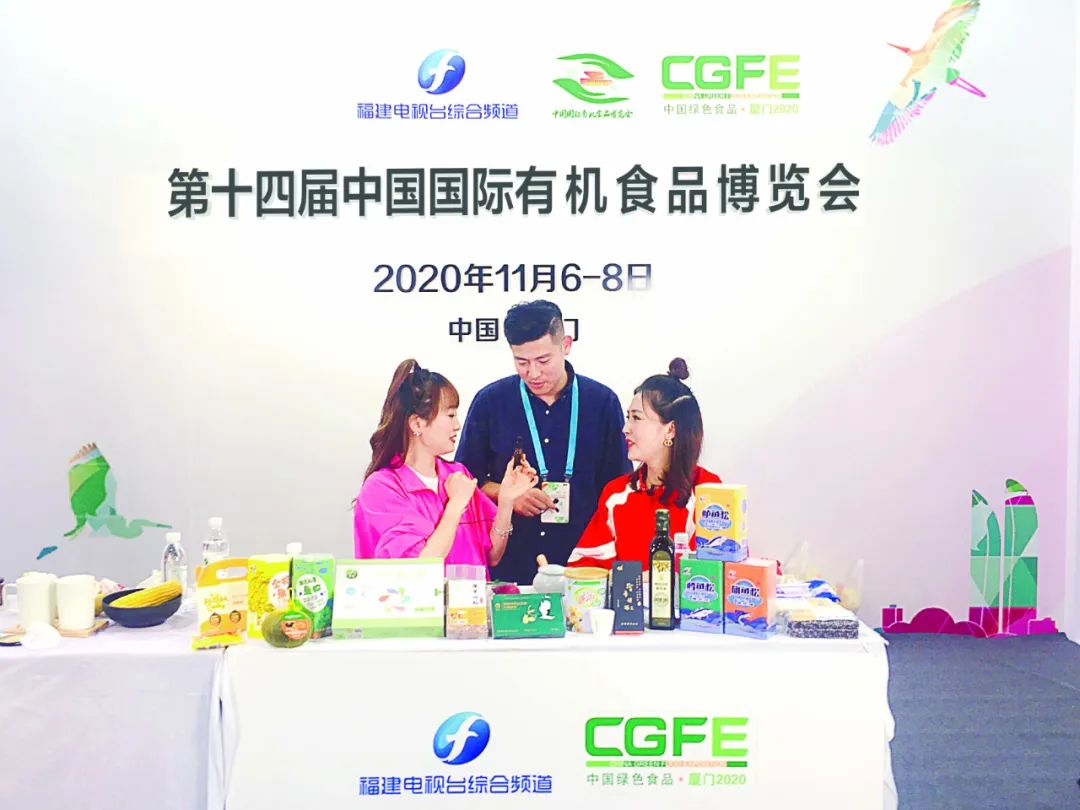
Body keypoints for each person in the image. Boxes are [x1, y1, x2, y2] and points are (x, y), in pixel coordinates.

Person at [455, 301, 632, 583]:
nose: (533, 373)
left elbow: (619, 489)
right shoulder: (491, 402)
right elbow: (464, 481)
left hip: (585, 567)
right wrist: (508, 495)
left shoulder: (601, 402)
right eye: (522, 362)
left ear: (566, 345)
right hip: (509, 566)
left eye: (543, 360)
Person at [354, 359, 537, 575]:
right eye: (450, 415)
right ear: (417, 423)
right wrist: (455, 505)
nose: (457, 425)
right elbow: (418, 570)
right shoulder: (383, 487)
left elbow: (492, 556)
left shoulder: (458, 474)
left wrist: (506, 500)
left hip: (469, 598)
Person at [567, 358, 721, 570]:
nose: (625, 428)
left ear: (670, 429)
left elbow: (707, 574)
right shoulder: (616, 493)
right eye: (627, 417)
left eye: (636, 418)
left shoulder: (709, 492)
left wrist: (629, 578)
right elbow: (584, 568)